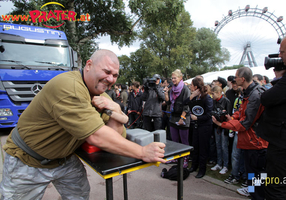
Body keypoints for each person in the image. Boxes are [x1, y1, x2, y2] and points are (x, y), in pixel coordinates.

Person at [0, 50, 166, 199]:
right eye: (107, 71)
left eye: (115, 75)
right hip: (29, 160)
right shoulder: (69, 87)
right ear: (88, 65)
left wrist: (115, 109)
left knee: (80, 195)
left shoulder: (101, 95)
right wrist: (142, 151)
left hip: (63, 159)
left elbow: (114, 136)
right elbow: (97, 136)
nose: (111, 79)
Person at [212, 67, 268, 200]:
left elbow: (246, 123)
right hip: (250, 143)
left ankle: (257, 195)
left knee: (258, 176)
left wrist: (222, 124)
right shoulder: (248, 92)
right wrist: (231, 117)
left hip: (257, 143)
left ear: (242, 79)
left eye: (236, 77)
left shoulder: (255, 95)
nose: (233, 80)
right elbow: (242, 113)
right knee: (252, 175)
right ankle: (252, 192)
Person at [258, 32, 286, 200]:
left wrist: (281, 77)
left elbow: (267, 98)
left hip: (285, 144)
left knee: (276, 186)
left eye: (282, 52)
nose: (279, 56)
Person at [184, 77, 213, 178]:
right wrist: (192, 96)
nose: (190, 87)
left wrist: (198, 118)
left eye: (191, 85)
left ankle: (202, 169)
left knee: (203, 148)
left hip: (205, 126)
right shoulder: (195, 97)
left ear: (196, 86)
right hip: (195, 126)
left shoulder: (207, 98)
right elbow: (185, 103)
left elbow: (209, 115)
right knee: (195, 146)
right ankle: (194, 166)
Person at [164, 69, 191, 168]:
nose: (173, 79)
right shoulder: (172, 89)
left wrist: (182, 118)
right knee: (174, 140)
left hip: (182, 118)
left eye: (175, 78)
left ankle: (185, 159)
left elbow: (187, 105)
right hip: (173, 117)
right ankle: (175, 157)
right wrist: (166, 93)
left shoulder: (185, 89)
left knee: (184, 141)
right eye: (172, 78)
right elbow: (168, 103)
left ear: (180, 78)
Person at [210, 86, 231, 175]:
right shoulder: (214, 101)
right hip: (216, 126)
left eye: (213, 93)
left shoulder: (226, 101)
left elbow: (229, 115)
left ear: (218, 93)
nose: (212, 95)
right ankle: (219, 163)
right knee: (218, 145)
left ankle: (225, 165)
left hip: (224, 126)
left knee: (224, 146)